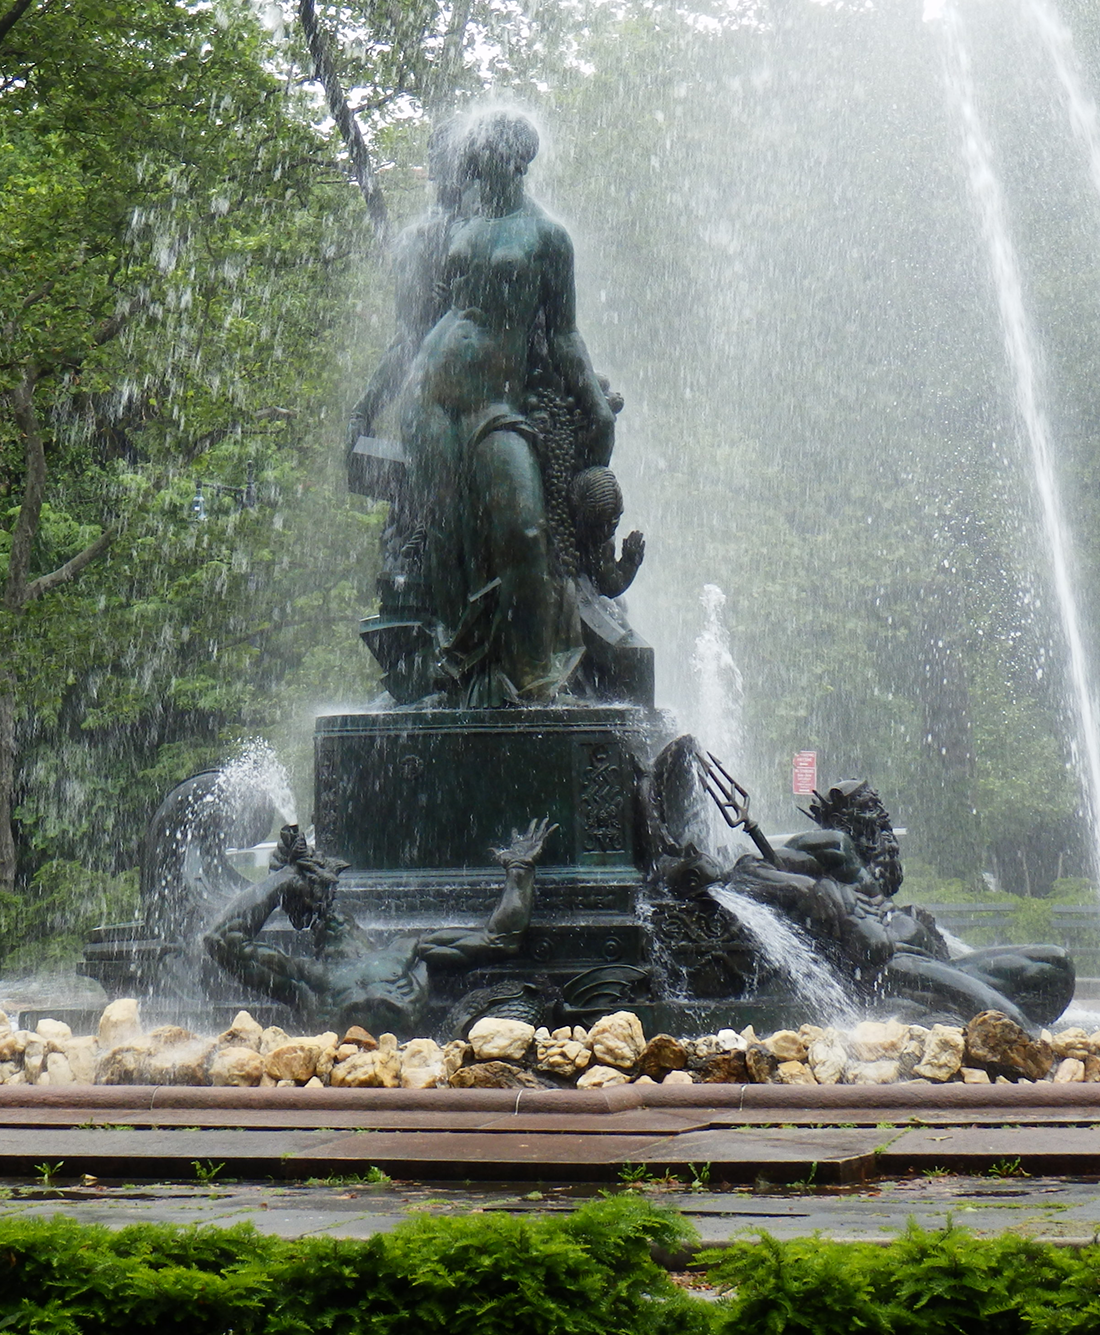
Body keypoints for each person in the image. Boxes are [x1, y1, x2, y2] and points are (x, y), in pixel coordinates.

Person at [396, 110, 615, 702]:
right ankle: (456, 667)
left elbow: (564, 334)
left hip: (494, 404)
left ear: (517, 162)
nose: (476, 169)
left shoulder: (547, 237)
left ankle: (535, 671)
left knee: (521, 526)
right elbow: (436, 313)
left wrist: (592, 401)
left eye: (488, 158)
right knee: (446, 532)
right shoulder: (463, 227)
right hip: (429, 393)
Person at [203, 818, 556, 1036]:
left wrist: (520, 869)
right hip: (340, 1059)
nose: (332, 919)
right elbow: (220, 940)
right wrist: (284, 879)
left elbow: (499, 939)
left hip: (413, 1056)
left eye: (343, 918)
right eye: (323, 924)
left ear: (363, 933)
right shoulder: (304, 975)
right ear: (316, 944)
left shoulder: (408, 951)